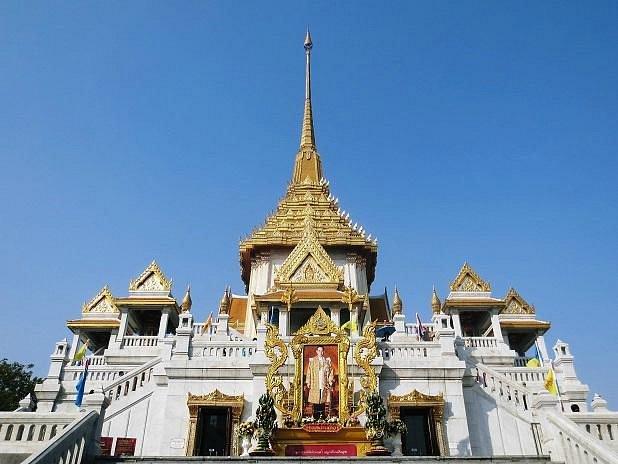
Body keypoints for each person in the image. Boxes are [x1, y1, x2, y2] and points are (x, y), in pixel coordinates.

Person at [305, 346, 334, 418]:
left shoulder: (327, 361)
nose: (320, 352)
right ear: (316, 351)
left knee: (322, 398)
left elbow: (331, 372)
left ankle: (322, 415)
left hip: (324, 382)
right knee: (316, 398)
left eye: (322, 351)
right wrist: (308, 382)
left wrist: (330, 381)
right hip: (315, 382)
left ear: (323, 352)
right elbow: (309, 372)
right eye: (319, 350)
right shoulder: (312, 360)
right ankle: (315, 416)